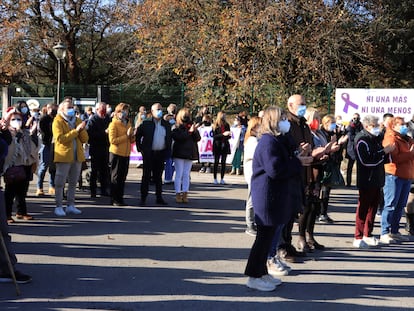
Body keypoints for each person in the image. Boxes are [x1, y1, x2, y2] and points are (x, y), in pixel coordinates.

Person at [244, 106, 304, 291]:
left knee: (268, 238)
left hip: (274, 195)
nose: (286, 122)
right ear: (274, 121)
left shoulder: (276, 141)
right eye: (283, 118)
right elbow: (275, 170)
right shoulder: (268, 142)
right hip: (266, 196)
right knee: (263, 239)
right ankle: (254, 276)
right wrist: (297, 162)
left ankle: (262, 273)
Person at [353, 115, 394, 248]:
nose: (377, 127)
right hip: (366, 179)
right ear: (366, 126)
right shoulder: (361, 140)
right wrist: (383, 152)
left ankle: (368, 234)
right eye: (374, 125)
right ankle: (358, 237)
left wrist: (385, 153)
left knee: (373, 208)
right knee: (363, 209)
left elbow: (382, 156)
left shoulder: (375, 139)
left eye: (378, 125)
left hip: (377, 179)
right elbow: (366, 161)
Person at [380, 117, 414, 244]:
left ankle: (394, 231)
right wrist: (411, 154)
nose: (404, 126)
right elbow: (394, 158)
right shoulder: (391, 137)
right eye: (401, 124)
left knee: (400, 205)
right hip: (394, 174)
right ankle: (385, 232)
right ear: (393, 126)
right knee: (391, 204)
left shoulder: (406, 138)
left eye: (405, 124)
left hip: (406, 175)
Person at [53, 98, 89, 216]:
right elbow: (60, 139)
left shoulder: (77, 120)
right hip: (63, 155)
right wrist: (75, 131)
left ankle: (70, 205)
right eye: (68, 107)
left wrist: (82, 130)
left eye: (72, 107)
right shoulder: (57, 121)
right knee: (60, 182)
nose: (71, 109)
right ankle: (58, 206)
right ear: (62, 109)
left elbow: (84, 139)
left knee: (73, 181)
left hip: (76, 156)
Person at [3, 108, 39, 223]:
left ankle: (21, 212)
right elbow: (10, 145)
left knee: (22, 191)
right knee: (10, 192)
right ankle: (7, 215)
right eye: (13, 119)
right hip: (12, 165)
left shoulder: (25, 132)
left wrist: (32, 134)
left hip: (25, 164)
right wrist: (17, 133)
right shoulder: (6, 132)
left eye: (19, 119)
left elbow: (33, 147)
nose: (17, 121)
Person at [136, 103, 172, 205]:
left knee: (158, 176)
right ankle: (143, 198)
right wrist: (140, 148)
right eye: (157, 109)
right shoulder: (146, 124)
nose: (159, 111)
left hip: (160, 153)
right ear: (152, 112)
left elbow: (169, 138)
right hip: (149, 153)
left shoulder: (166, 125)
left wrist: (167, 151)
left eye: (161, 109)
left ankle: (159, 197)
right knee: (146, 176)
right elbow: (138, 135)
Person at [318, 114, 348, 223]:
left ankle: (323, 212)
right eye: (332, 123)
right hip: (323, 165)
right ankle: (320, 213)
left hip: (332, 163)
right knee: (321, 191)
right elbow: (323, 149)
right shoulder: (322, 134)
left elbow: (338, 152)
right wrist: (333, 147)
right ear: (326, 123)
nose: (334, 125)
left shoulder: (333, 134)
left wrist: (339, 144)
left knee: (327, 190)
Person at [171, 108, 201, 203]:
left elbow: (198, 138)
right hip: (179, 153)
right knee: (179, 174)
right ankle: (177, 193)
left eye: (188, 115)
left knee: (186, 174)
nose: (186, 117)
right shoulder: (176, 126)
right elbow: (179, 138)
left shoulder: (190, 125)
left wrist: (194, 131)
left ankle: (185, 193)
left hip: (189, 153)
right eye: (185, 115)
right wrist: (190, 132)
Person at [108, 103, 135, 206]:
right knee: (116, 177)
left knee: (123, 177)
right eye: (121, 111)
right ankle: (114, 198)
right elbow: (113, 140)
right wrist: (126, 136)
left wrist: (132, 136)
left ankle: (120, 198)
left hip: (126, 153)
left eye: (126, 111)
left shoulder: (128, 123)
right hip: (116, 153)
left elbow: (131, 140)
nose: (123, 113)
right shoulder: (113, 124)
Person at [86, 102, 111, 198]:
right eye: (102, 109)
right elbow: (90, 135)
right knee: (94, 170)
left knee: (104, 170)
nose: (104, 111)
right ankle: (93, 191)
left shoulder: (108, 119)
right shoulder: (93, 120)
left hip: (105, 148)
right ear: (96, 110)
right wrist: (103, 133)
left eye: (105, 108)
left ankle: (104, 189)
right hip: (96, 148)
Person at [243, 116, 262, 236]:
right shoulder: (252, 140)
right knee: (252, 199)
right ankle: (250, 224)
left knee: (254, 198)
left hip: (254, 172)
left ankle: (252, 223)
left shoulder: (255, 140)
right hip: (252, 173)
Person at [36, 103, 58, 196]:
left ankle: (52, 186)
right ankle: (39, 187)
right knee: (43, 166)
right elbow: (45, 132)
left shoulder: (57, 119)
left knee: (53, 167)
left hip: (55, 145)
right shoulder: (43, 119)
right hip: (46, 145)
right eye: (52, 109)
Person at [212, 111, 231, 185]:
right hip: (217, 145)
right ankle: (215, 178)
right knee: (216, 162)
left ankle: (222, 178)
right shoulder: (215, 125)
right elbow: (214, 136)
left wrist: (228, 135)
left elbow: (229, 135)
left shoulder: (227, 125)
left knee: (223, 162)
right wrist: (223, 134)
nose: (224, 117)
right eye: (223, 115)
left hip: (224, 145)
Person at [345, 113, 363, 187]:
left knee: (359, 168)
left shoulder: (361, 126)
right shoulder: (350, 126)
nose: (356, 120)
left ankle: (359, 182)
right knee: (350, 167)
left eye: (357, 118)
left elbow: (363, 134)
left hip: (359, 149)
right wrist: (358, 136)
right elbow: (351, 136)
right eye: (354, 118)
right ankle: (348, 183)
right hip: (351, 149)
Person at [163, 113, 176, 184]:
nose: (172, 120)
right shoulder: (165, 127)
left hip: (173, 147)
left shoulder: (174, 126)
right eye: (170, 118)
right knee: (169, 162)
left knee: (172, 163)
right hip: (167, 147)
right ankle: (167, 178)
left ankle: (169, 177)